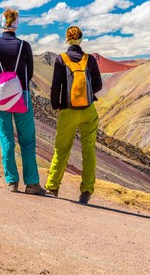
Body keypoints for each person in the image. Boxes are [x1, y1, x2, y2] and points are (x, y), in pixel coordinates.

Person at [0, 9, 46, 195]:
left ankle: (12, 182)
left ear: (2, 22)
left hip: (0, 96)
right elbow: (30, 72)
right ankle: (32, 183)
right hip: (22, 96)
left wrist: (3, 88)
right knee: (27, 141)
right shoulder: (24, 46)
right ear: (17, 23)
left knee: (6, 139)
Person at [46, 26, 102, 204]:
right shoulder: (90, 59)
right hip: (88, 111)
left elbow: (56, 87)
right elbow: (98, 85)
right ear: (81, 39)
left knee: (61, 150)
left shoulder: (61, 59)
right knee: (89, 151)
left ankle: (53, 186)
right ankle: (86, 191)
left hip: (68, 111)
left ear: (67, 39)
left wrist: (57, 106)